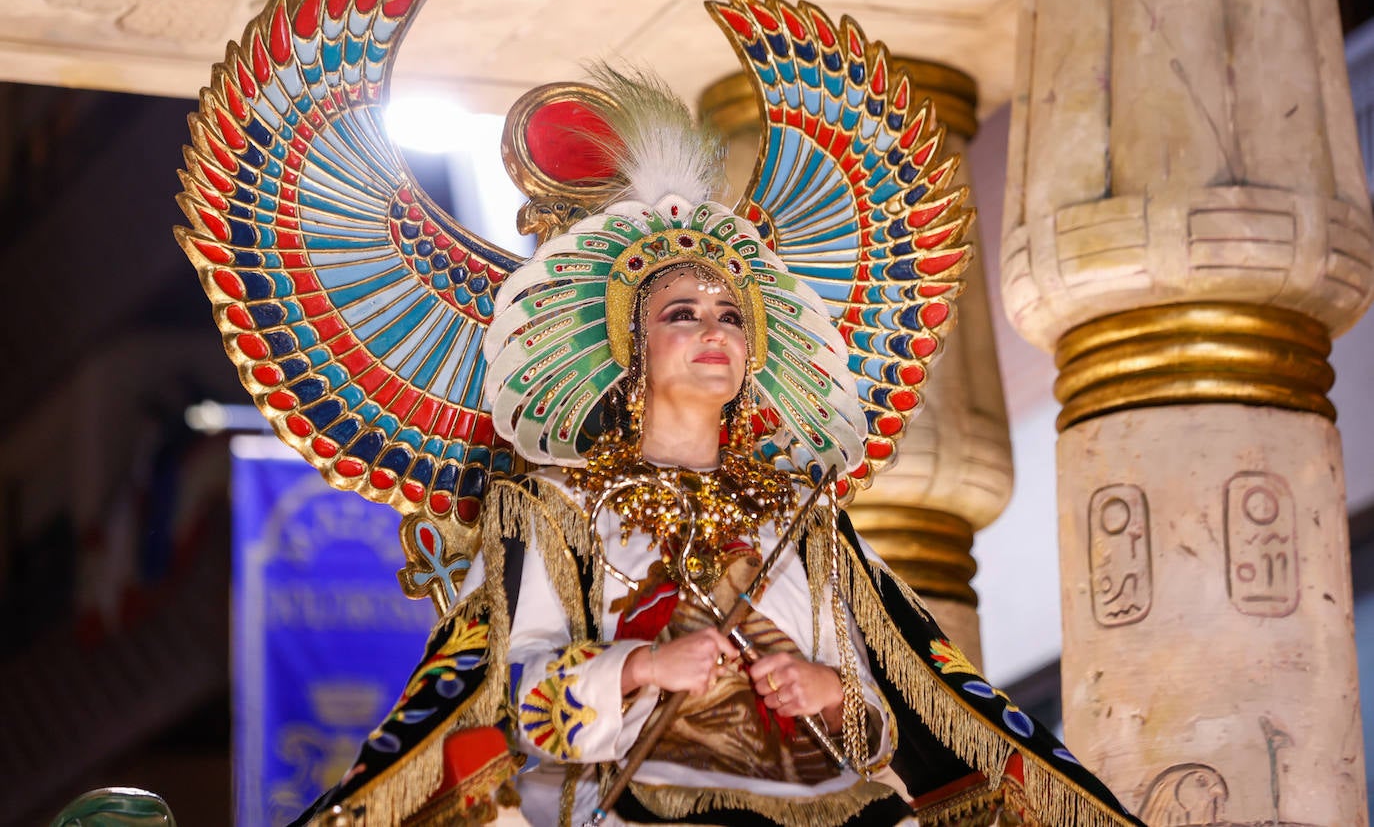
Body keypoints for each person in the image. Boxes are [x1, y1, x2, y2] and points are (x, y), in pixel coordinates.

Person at [288, 73, 1145, 827]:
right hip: (634, 798)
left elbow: (897, 708)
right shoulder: (556, 508)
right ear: (630, 345)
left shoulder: (802, 516)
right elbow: (510, 698)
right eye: (683, 314)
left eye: (732, 316)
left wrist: (829, 693)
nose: (715, 330)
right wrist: (642, 666)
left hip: (830, 808)